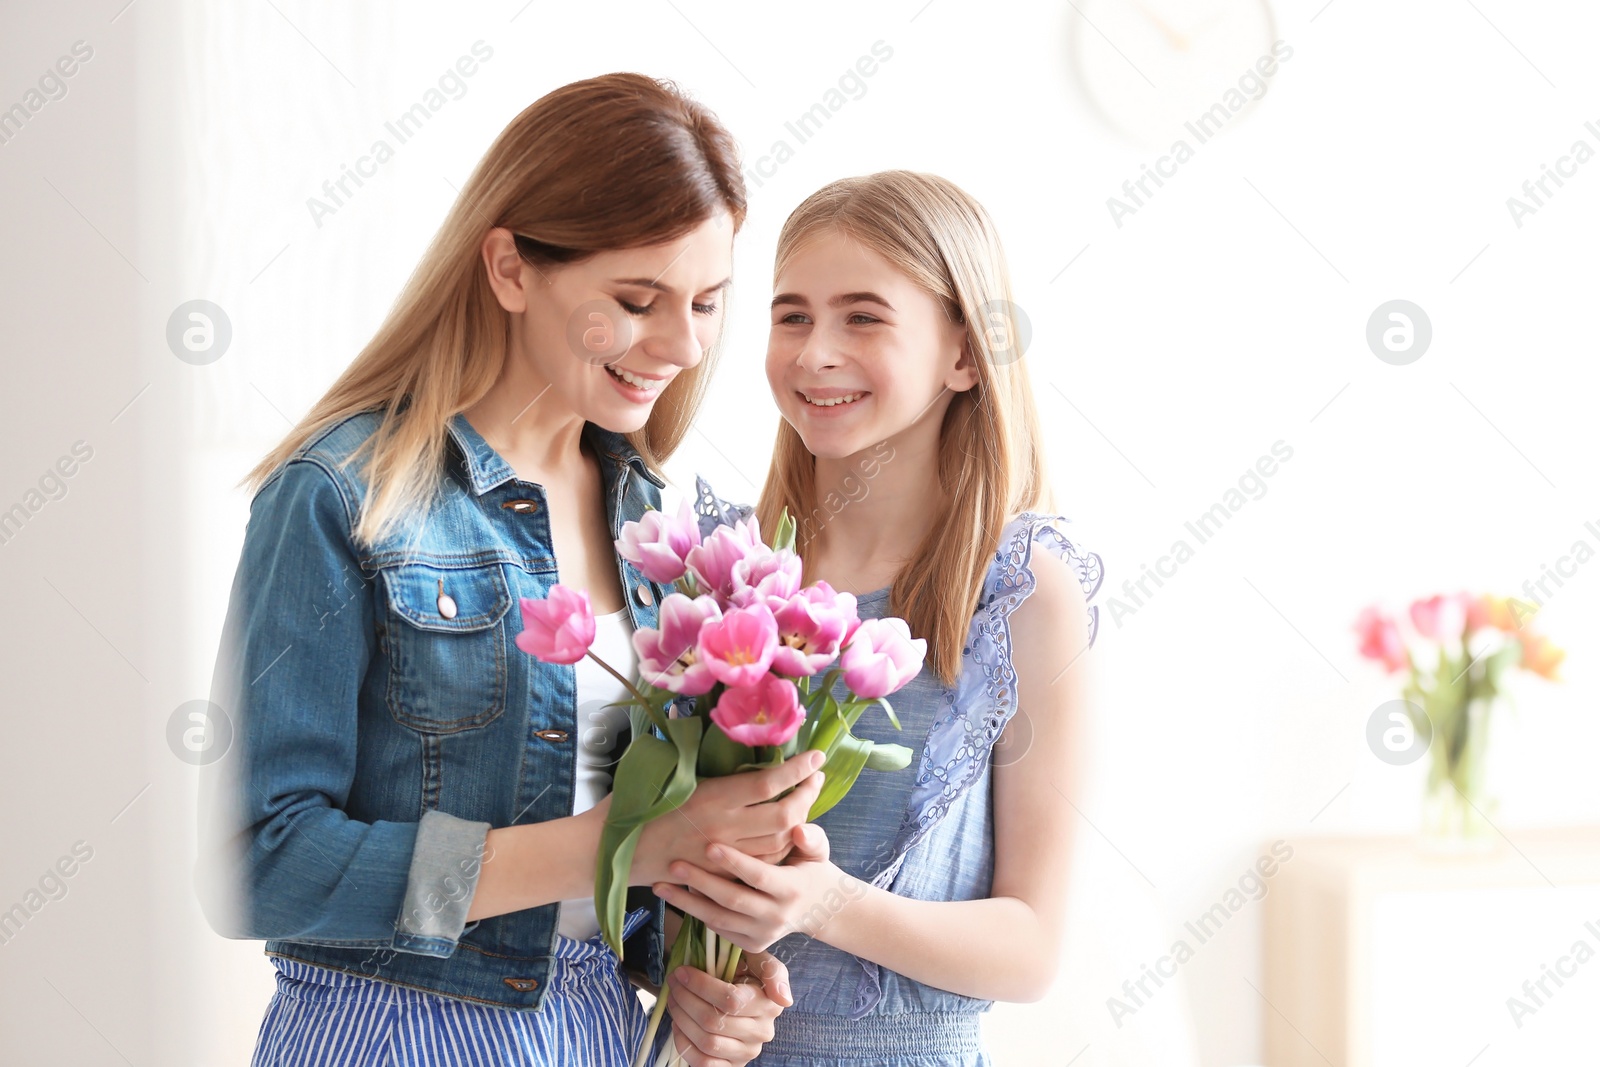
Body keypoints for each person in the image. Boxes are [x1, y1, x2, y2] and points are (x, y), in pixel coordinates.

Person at [195, 73, 819, 1067]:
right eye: (635, 299)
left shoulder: (660, 530)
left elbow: (609, 887)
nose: (682, 343)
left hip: (598, 1031)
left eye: (706, 302)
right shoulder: (343, 495)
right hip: (391, 1031)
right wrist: (610, 845)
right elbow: (258, 861)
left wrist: (696, 956)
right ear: (510, 267)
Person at [653, 170, 1105, 1066]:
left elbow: (1032, 947)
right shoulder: (724, 577)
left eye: (863, 316)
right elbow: (660, 877)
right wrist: (689, 981)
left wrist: (822, 902)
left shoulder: (1020, 597)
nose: (815, 351)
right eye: (791, 316)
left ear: (967, 355)